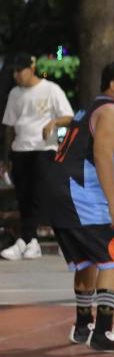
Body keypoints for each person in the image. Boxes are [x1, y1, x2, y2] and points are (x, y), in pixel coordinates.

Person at [45, 61, 114, 351]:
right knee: (113, 259)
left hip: (61, 196)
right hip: (83, 197)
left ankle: (82, 326)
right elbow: (102, 156)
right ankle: (103, 332)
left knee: (87, 261)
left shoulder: (89, 108)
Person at [1, 53, 74, 261]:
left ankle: (30, 240)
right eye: (14, 71)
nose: (16, 75)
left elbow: (68, 116)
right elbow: (9, 127)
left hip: (44, 148)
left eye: (20, 70)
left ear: (31, 69)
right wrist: (5, 158)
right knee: (24, 195)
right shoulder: (15, 94)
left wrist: (53, 123)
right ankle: (30, 241)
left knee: (41, 193)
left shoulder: (51, 89)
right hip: (20, 149)